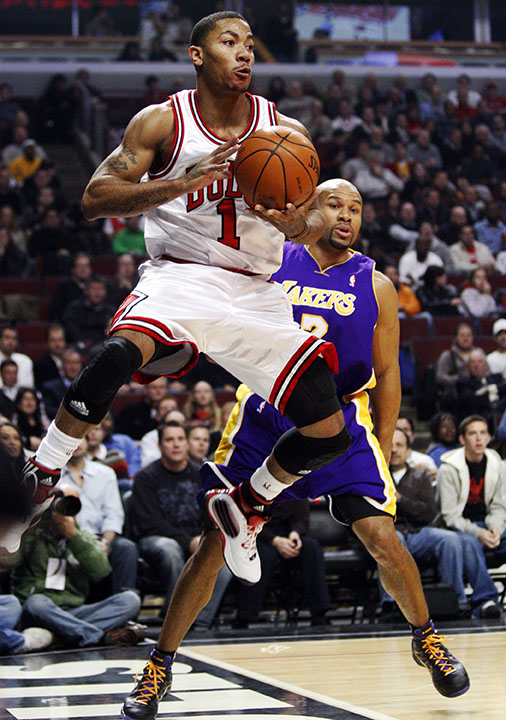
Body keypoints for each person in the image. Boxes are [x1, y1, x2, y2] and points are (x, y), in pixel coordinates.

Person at [14, 11, 353, 585]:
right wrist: (179, 183)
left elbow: (313, 215)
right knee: (117, 353)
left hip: (257, 292)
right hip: (182, 278)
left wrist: (296, 221)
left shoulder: (283, 131)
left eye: (249, 44)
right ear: (198, 55)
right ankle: (44, 472)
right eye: (229, 43)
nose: (244, 53)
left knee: (328, 432)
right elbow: (95, 198)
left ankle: (249, 505)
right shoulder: (163, 123)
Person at [121, 177, 469, 720]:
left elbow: (387, 375)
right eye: (333, 204)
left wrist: (387, 439)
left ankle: (425, 638)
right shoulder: (270, 257)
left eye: (355, 208)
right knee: (214, 543)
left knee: (380, 533)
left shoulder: (374, 284)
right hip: (267, 406)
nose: (345, 215)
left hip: (342, 414)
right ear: (310, 209)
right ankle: (159, 666)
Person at [10, 486, 145, 648]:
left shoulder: (82, 536)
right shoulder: (32, 534)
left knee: (130, 600)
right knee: (36, 603)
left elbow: (102, 571)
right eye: (63, 501)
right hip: (40, 611)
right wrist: (40, 518)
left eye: (73, 502)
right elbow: (13, 555)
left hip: (75, 611)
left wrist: (73, 537)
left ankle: (62, 634)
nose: (67, 507)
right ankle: (97, 636)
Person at [128, 421, 231, 621]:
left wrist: (203, 539)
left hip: (195, 537)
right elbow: (151, 523)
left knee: (224, 558)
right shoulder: (145, 477)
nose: (176, 444)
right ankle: (173, 618)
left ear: (186, 444)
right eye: (169, 440)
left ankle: (199, 621)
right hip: (156, 538)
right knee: (170, 549)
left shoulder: (202, 474)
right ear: (159, 446)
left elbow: (211, 514)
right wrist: (188, 541)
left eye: (180, 439)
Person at [379, 429, 470, 619]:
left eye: (399, 445)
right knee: (386, 541)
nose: (394, 450)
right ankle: (390, 605)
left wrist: (400, 500)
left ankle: (457, 600)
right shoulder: (375, 476)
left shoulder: (421, 475)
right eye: (391, 445)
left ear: (407, 450)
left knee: (450, 539)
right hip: (391, 533)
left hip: (418, 532)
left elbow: (428, 514)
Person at [437, 415, 505, 618]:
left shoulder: (498, 464)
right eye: (472, 433)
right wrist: (480, 533)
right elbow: (450, 516)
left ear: (489, 437)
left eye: (483, 433)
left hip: (490, 523)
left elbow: (500, 504)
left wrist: (494, 529)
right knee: (468, 544)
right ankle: (486, 600)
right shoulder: (448, 468)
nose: (478, 439)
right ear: (462, 439)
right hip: (460, 527)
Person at [233, 498, 331, 628]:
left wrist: (295, 533)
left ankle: (320, 613)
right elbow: (246, 521)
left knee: (312, 548)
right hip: (258, 535)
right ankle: (244, 617)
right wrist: (274, 540)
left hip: (287, 532)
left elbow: (302, 517)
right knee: (264, 556)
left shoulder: (295, 484)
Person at [60, 434, 138, 593]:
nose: (76, 443)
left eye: (80, 438)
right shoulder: (53, 476)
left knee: (126, 547)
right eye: (72, 438)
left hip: (100, 537)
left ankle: (123, 600)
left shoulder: (105, 473)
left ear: (89, 441)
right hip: (65, 537)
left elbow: (114, 514)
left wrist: (106, 542)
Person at [33, 324, 67, 392]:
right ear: (47, 343)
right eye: (53, 340)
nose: (58, 344)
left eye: (60, 340)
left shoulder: (72, 361)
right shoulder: (40, 364)